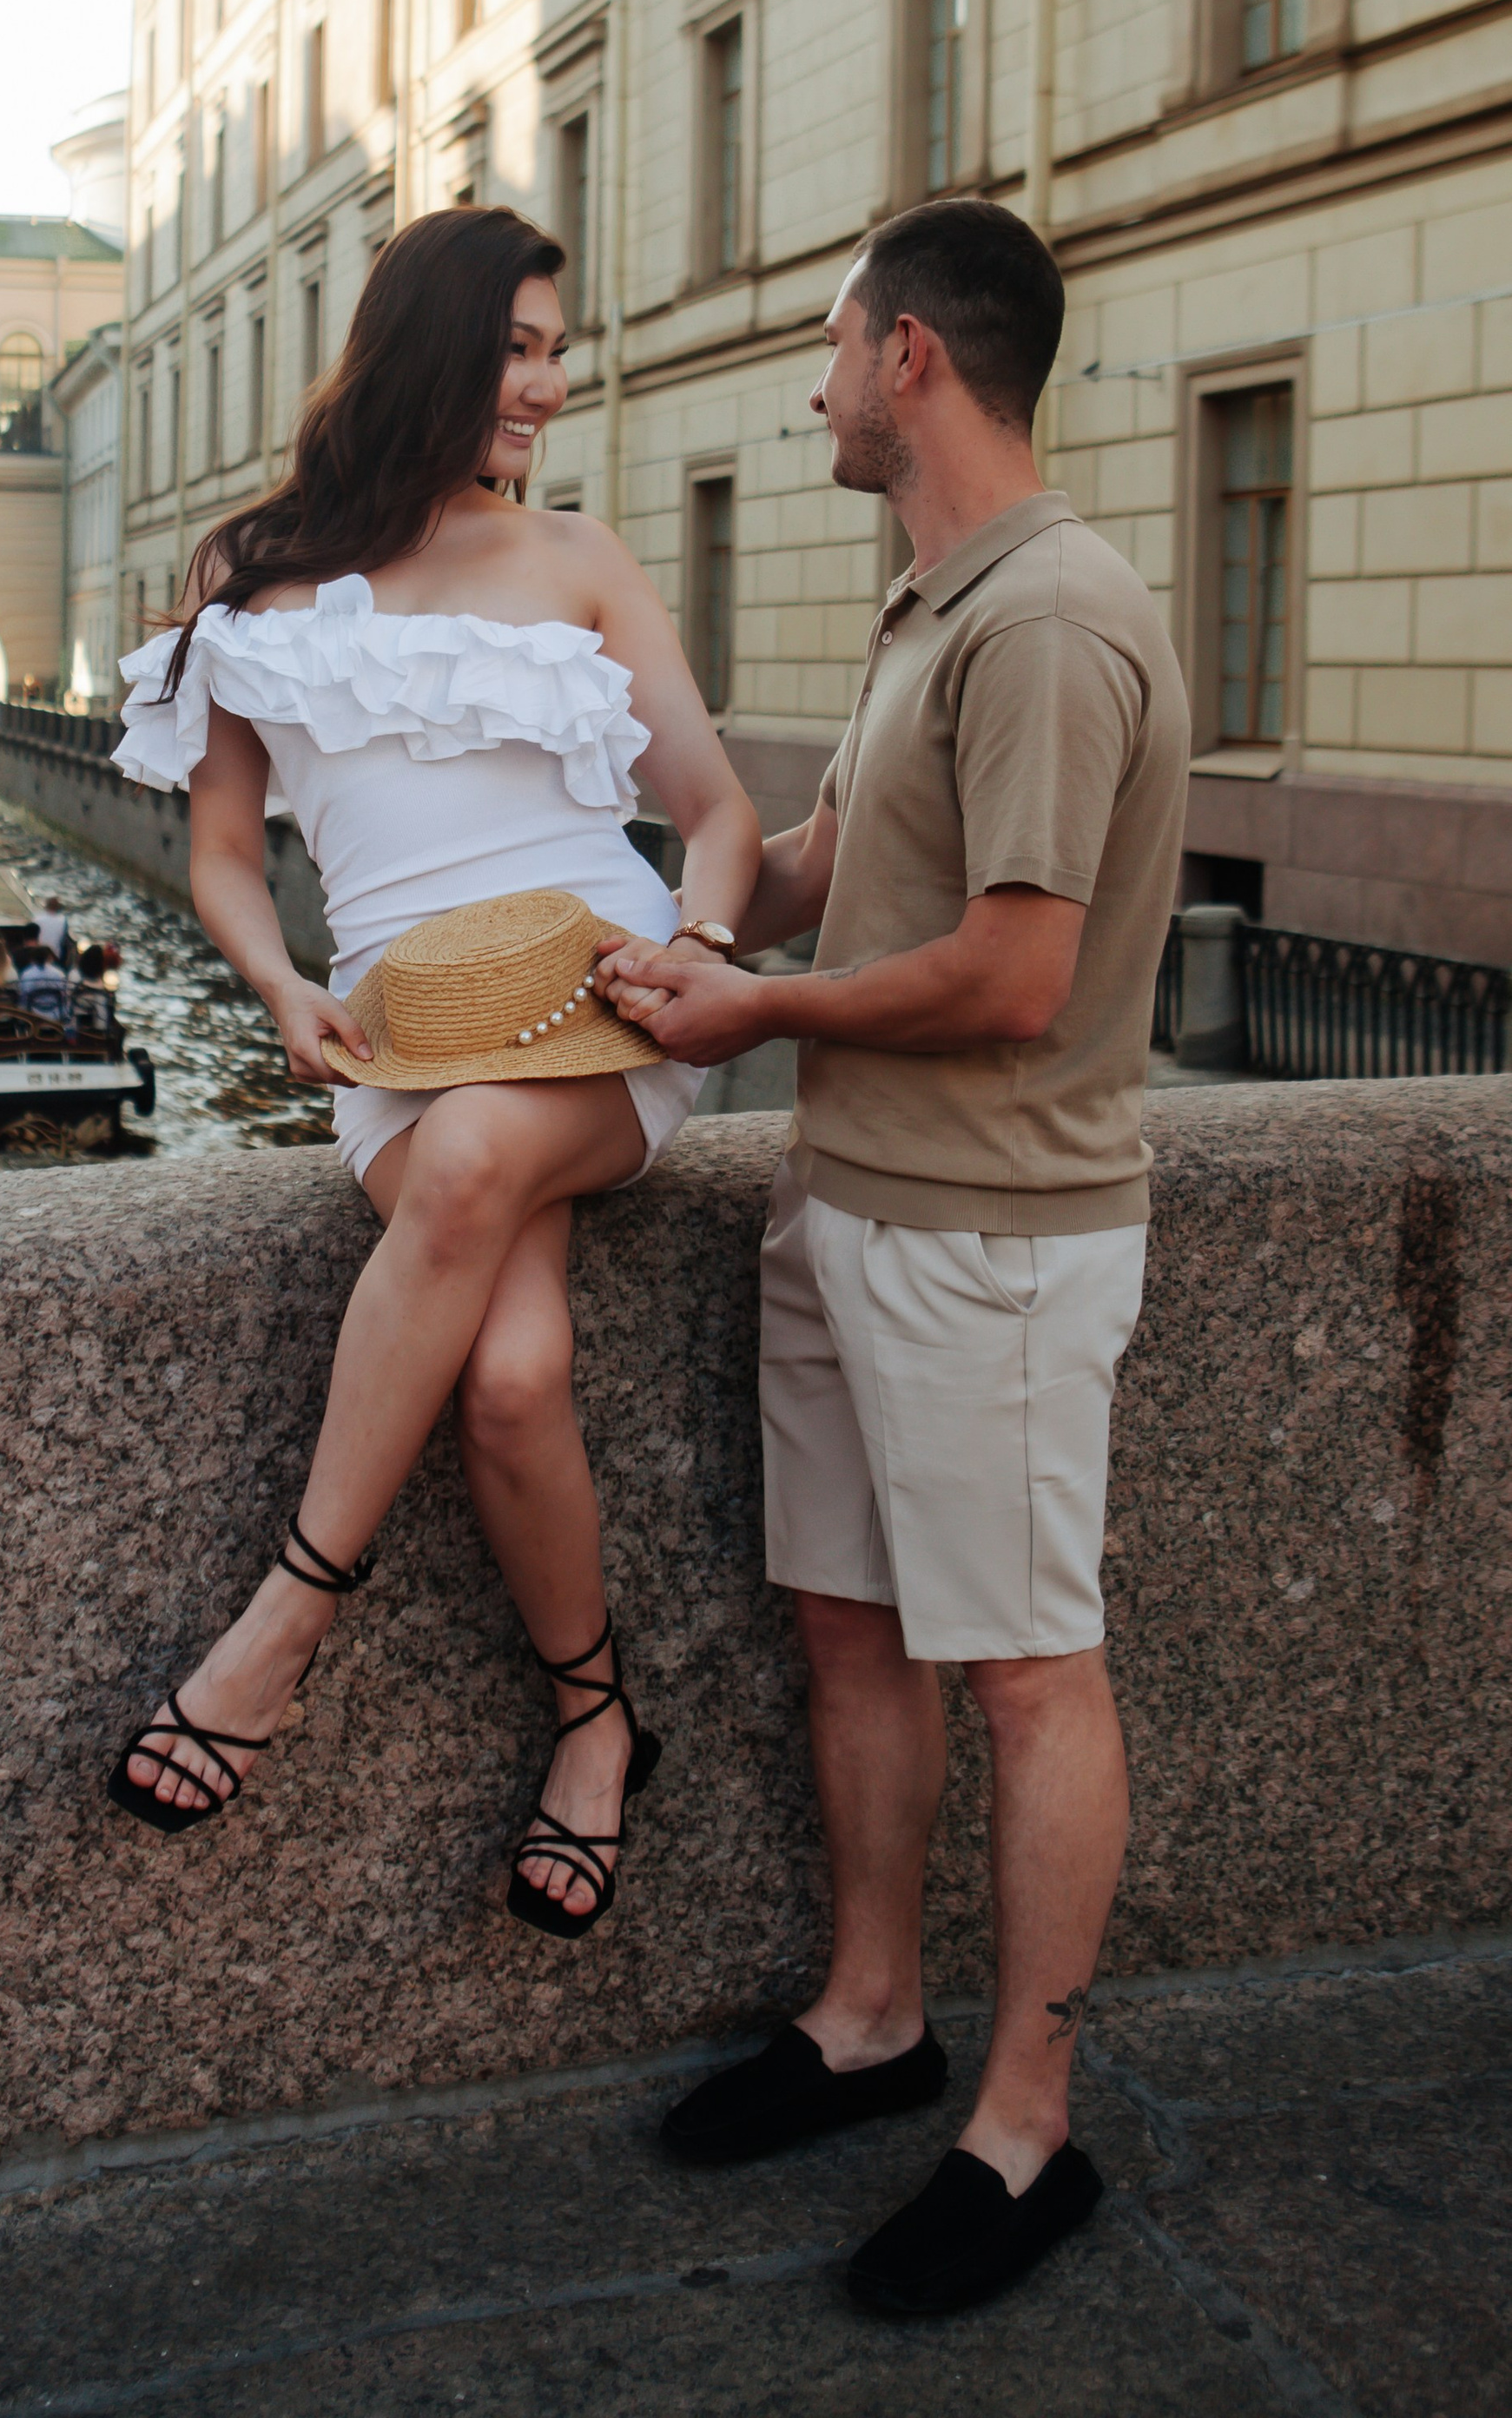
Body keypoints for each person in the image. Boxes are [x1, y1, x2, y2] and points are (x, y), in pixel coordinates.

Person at [598, 196, 1187, 2315]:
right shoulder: (931, 598)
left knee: (1028, 1673)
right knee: (847, 1632)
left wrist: (750, 1016)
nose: (815, 380)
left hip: (991, 1237)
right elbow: (828, 869)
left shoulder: (1046, 618)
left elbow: (1011, 973)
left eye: (834, 342)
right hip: (845, 1207)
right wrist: (661, 903)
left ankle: (1023, 2137)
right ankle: (871, 2021)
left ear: (911, 357)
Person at [105, 204, 759, 1932]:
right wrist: (273, 984)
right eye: (522, 346)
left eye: (556, 349)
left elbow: (714, 813)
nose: (550, 382)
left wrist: (689, 944)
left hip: (602, 1000)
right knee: (512, 1375)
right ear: (432, 346)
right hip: (405, 1033)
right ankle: (597, 1719)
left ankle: (285, 1622)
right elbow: (229, 851)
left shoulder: (580, 555)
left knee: (476, 1169)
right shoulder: (248, 569)